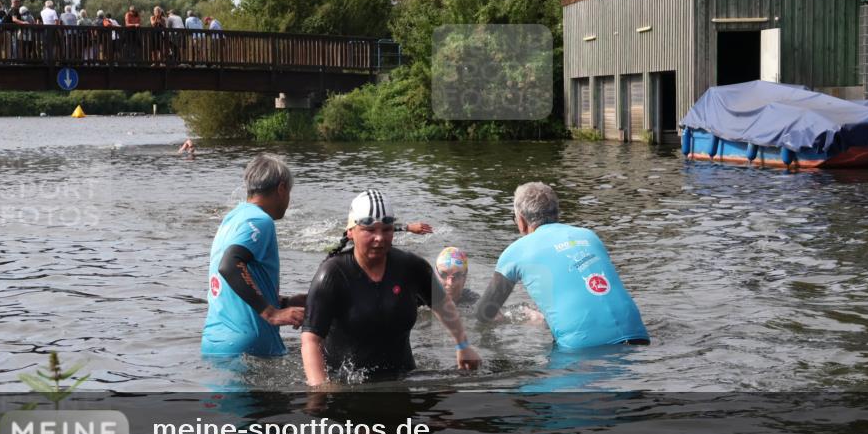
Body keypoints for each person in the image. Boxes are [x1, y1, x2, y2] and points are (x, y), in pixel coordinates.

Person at [301, 190, 481, 385]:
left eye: (387, 229)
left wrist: (463, 345)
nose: (379, 238)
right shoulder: (332, 274)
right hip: (346, 383)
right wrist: (321, 387)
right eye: (370, 230)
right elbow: (311, 340)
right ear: (351, 232)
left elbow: (441, 303)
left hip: (403, 377)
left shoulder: (411, 267)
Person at [475, 182, 649, 349]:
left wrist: (518, 319)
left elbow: (484, 313)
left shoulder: (514, 252)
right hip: (637, 334)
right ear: (557, 213)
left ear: (521, 220)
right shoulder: (589, 236)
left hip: (581, 348)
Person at [202, 155, 305, 357]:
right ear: (281, 188)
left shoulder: (232, 219)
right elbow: (230, 265)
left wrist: (283, 303)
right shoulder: (260, 220)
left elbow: (232, 281)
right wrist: (272, 313)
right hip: (248, 348)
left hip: (215, 344)